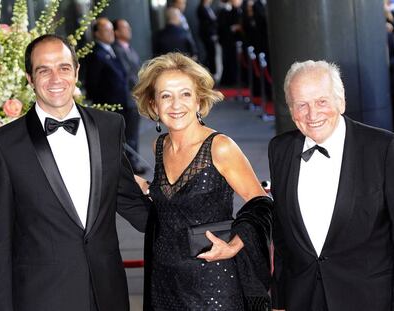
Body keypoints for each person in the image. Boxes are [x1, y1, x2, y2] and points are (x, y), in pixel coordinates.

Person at [0, 34, 150, 311]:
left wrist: (191, 229)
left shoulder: (109, 127)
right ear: (29, 79)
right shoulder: (4, 145)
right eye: (43, 70)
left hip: (108, 295)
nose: (55, 78)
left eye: (63, 67)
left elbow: (128, 200)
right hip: (41, 298)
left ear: (76, 71)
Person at [133, 52, 272, 310]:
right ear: (153, 105)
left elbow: (261, 202)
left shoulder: (219, 147)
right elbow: (173, 202)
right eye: (166, 96)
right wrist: (147, 188)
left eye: (185, 94)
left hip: (213, 282)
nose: (176, 105)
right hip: (165, 280)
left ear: (198, 100)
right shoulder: (159, 146)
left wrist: (235, 244)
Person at [268, 60, 394, 311]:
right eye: (301, 104)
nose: (312, 115)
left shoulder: (383, 148)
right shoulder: (279, 149)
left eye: (321, 102)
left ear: (341, 101)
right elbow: (282, 235)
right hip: (302, 298)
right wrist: (279, 299)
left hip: (370, 299)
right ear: (290, 109)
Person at [112, 18, 148, 174]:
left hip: (134, 98)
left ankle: (134, 161)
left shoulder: (128, 48)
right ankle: (131, 164)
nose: (129, 30)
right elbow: (129, 75)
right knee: (129, 135)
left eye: (128, 27)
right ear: (116, 32)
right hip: (128, 98)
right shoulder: (117, 50)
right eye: (124, 28)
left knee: (133, 133)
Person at [197, 0, 218, 75]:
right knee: (209, 53)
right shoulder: (201, 8)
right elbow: (207, 22)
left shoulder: (208, 8)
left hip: (211, 34)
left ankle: (211, 71)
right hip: (206, 35)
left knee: (211, 53)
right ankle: (209, 71)